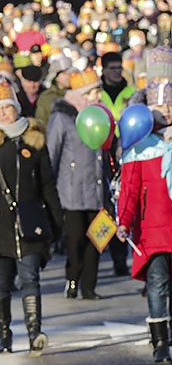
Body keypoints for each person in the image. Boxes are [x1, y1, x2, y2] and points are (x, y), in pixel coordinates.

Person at [0, 76, 63, 355]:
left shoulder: (34, 139)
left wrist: (57, 220)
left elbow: (47, 185)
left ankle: (34, 333)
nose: (4, 113)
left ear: (16, 107)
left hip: (29, 221)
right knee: (1, 284)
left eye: (7, 107)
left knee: (30, 278)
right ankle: (4, 332)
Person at [116, 81, 172, 364]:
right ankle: (160, 340)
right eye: (161, 106)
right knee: (158, 281)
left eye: (171, 105)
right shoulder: (139, 148)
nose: (167, 111)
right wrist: (124, 221)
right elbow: (130, 190)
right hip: (153, 227)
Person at [47, 67, 106, 300]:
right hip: (71, 190)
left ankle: (89, 285)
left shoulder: (102, 115)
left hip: (97, 187)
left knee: (97, 238)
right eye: (92, 93)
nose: (97, 97)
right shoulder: (62, 117)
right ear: (82, 94)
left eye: (98, 92)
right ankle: (72, 277)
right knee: (74, 238)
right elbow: (53, 152)